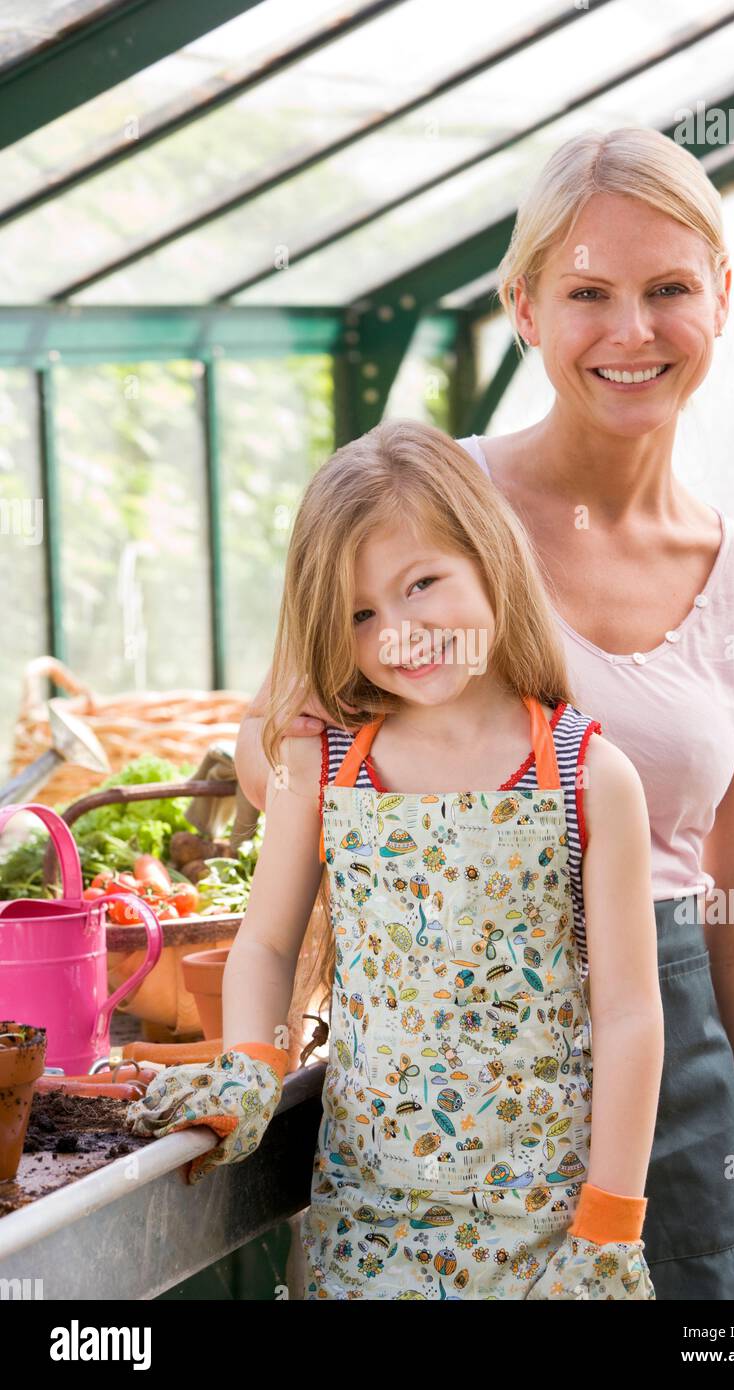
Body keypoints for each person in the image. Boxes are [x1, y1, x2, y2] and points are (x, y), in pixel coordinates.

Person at [233, 127, 734, 1300]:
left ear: (720, 294)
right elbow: (277, 744)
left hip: (666, 1103)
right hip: (435, 1100)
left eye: (668, 289)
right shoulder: (424, 504)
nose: (630, 331)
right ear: (522, 306)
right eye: (586, 293)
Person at [128, 417, 664, 1300]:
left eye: (422, 584)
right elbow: (267, 943)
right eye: (362, 615)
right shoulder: (323, 764)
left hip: (549, 1225)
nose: (402, 632)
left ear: (489, 557)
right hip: (369, 1226)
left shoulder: (590, 776)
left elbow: (631, 1016)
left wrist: (608, 1226)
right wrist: (250, 1062)